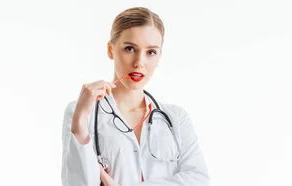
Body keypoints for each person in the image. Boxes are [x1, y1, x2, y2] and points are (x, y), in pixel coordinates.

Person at [61, 7, 210, 186]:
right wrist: (79, 124)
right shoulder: (82, 112)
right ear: (110, 50)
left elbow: (198, 179)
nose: (139, 62)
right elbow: (77, 183)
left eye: (151, 52)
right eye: (130, 48)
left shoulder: (176, 118)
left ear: (159, 56)